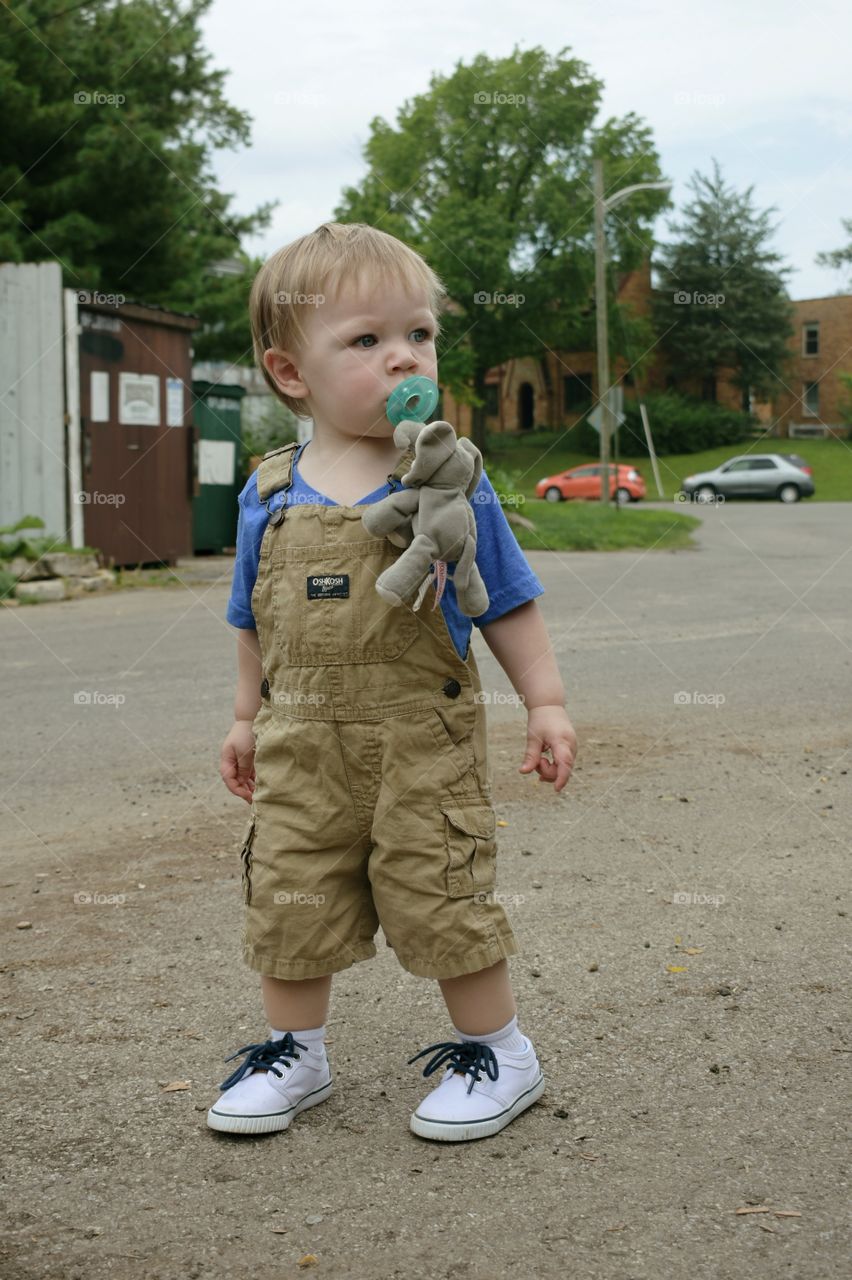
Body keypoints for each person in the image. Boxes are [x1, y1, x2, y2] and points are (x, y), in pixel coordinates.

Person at [208, 221, 577, 1143]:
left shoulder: (452, 480)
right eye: (366, 340)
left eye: (419, 334)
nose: (404, 356)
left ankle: (497, 1051)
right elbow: (252, 617)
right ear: (293, 373)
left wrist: (546, 701)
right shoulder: (269, 492)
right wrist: (244, 717)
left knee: (442, 892)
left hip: (424, 745)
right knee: (290, 890)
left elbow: (509, 602)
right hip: (302, 746)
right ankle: (295, 1050)